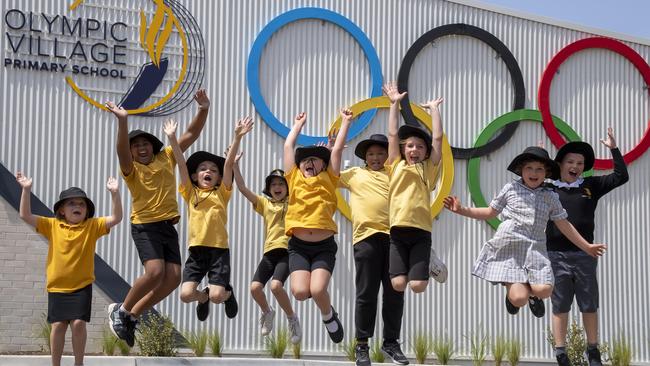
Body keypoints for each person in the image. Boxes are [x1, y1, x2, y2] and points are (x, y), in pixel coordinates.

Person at [443, 146, 607, 318]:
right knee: (519, 299)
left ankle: (533, 295)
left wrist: (586, 246)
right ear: (521, 170)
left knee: (544, 290)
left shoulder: (550, 196)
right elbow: (490, 212)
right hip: (510, 246)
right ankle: (514, 294)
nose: (534, 173)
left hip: (535, 248)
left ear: (547, 173)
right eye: (529, 168)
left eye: (539, 169)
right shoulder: (510, 189)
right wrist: (462, 209)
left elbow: (564, 224)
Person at [105, 89, 210, 346]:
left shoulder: (166, 157)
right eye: (136, 145)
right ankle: (121, 309)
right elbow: (121, 150)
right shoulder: (131, 169)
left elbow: (190, 134)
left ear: (153, 146)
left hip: (167, 226)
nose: (141, 148)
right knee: (154, 272)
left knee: (173, 278)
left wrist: (203, 109)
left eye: (145, 143)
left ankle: (132, 316)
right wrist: (122, 121)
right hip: (144, 225)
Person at [16, 172, 122, 366]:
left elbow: (116, 217)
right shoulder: (52, 225)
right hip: (57, 287)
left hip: (81, 286)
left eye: (81, 204)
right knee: (58, 326)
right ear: (62, 210)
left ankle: (78, 363)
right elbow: (25, 215)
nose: (77, 207)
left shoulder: (92, 226)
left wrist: (115, 194)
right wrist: (26, 189)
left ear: (86, 210)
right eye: (72, 203)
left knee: (79, 323)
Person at [547, 128, 628, 366]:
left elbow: (621, 176)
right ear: (560, 164)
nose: (575, 166)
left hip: (585, 254)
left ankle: (593, 351)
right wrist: (542, 159)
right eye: (570, 161)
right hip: (556, 255)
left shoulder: (590, 185)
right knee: (560, 304)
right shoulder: (549, 189)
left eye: (580, 163)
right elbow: (526, 180)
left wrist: (614, 149)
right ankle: (561, 352)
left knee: (589, 303)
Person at [165, 118, 251, 321]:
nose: (208, 172)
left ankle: (227, 294)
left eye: (213, 170)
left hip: (218, 251)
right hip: (196, 251)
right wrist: (172, 138)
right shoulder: (189, 192)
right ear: (195, 176)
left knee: (217, 296)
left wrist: (237, 136)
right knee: (186, 295)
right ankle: (202, 298)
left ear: (219, 178)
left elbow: (228, 164)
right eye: (203, 168)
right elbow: (180, 164)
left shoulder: (222, 193)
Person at [282, 109, 353, 343]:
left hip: (323, 246)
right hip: (299, 246)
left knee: (318, 290)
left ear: (324, 165)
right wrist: (297, 126)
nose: (310, 162)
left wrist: (346, 122)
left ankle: (328, 315)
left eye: (315, 159)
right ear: (299, 166)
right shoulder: (293, 178)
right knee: (301, 292)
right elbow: (288, 147)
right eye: (305, 160)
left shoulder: (330, 178)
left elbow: (338, 149)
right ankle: (326, 311)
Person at [338, 132, 407, 366]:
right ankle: (362, 345)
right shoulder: (355, 174)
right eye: (371, 154)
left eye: (380, 153)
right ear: (364, 157)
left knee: (395, 292)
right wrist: (331, 148)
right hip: (365, 238)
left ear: (388, 155)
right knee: (366, 293)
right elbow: (331, 174)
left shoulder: (395, 173)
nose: (376, 157)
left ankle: (391, 342)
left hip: (394, 240)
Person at [384, 82, 446, 295]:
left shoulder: (428, 168)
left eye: (420, 146)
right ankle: (423, 261)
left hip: (421, 231)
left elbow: (437, 139)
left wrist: (434, 110)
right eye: (410, 145)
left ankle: (428, 258)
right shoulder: (395, 164)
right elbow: (392, 134)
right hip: (397, 231)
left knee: (418, 286)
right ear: (403, 149)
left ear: (426, 153)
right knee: (398, 284)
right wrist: (394, 104)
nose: (415, 149)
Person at [233, 159, 301, 344]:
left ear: (287, 187)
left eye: (281, 183)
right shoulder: (265, 204)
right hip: (269, 253)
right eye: (273, 184)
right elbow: (242, 188)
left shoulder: (294, 201)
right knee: (255, 288)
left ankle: (292, 318)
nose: (277, 187)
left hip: (287, 252)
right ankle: (267, 312)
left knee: (276, 286)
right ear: (268, 188)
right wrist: (234, 165)